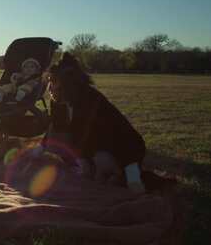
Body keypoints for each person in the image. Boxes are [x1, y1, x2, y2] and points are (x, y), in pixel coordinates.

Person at [29, 52, 146, 193]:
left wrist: (133, 177)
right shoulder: (58, 102)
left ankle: (119, 174)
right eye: (49, 81)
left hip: (121, 148)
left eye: (53, 82)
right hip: (92, 148)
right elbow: (56, 128)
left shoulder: (92, 100)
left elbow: (121, 136)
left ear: (68, 84)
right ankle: (100, 171)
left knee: (108, 167)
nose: (49, 88)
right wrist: (39, 150)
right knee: (59, 142)